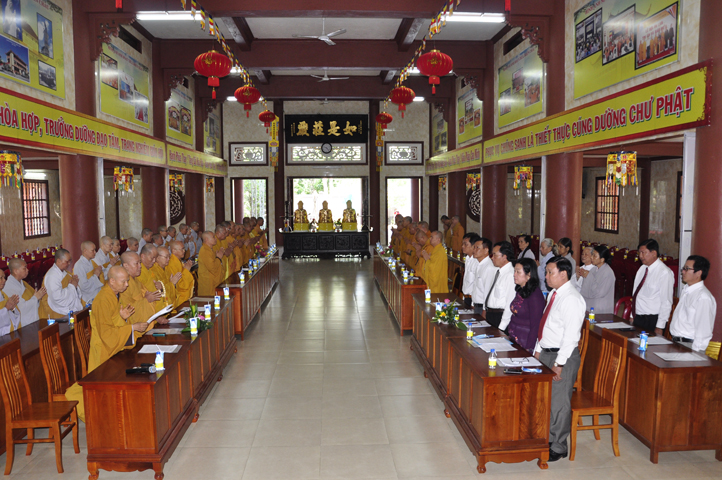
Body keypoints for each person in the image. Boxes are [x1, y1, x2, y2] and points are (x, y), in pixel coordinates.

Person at [65, 266, 150, 422]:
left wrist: (122, 318)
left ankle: (116, 416)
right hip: (103, 350)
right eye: (124, 281)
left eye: (127, 281)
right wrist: (131, 327)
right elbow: (106, 334)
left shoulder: (113, 295)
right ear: (112, 281)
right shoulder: (103, 299)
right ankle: (100, 420)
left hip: (112, 346)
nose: (127, 284)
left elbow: (113, 323)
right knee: (100, 390)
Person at [535, 256, 586, 462]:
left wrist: (559, 364)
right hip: (547, 352)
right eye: (546, 272)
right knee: (546, 399)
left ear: (563, 274)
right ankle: (546, 438)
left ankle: (558, 446)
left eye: (550, 272)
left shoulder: (572, 299)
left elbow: (571, 336)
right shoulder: (554, 294)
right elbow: (546, 324)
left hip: (562, 356)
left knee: (558, 403)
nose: (546, 276)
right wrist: (538, 349)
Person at [669, 255, 716, 353]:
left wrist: (695, 354)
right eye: (683, 268)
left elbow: (703, 331)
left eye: (687, 269)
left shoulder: (703, 297)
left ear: (698, 273)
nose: (683, 271)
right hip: (677, 343)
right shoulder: (686, 290)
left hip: (690, 346)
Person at [631, 239, 674, 334]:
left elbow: (666, 301)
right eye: (639, 253)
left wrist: (660, 326)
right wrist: (632, 315)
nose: (640, 256)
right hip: (638, 317)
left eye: (643, 252)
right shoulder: (642, 269)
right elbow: (636, 293)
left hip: (652, 319)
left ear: (654, 253)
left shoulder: (664, 272)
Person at [508, 258, 546, 352]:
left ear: (529, 275)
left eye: (518, 272)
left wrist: (529, 348)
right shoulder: (520, 290)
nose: (514, 274)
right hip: (514, 336)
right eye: (514, 271)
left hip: (525, 340)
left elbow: (536, 324)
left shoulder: (535, 294)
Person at [119, 252, 165, 325]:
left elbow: (145, 300)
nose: (140, 266)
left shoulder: (136, 281)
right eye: (136, 263)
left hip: (145, 322)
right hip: (134, 326)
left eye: (140, 263)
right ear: (126, 266)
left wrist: (156, 317)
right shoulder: (124, 285)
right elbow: (127, 310)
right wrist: (147, 299)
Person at [39, 249, 83, 318]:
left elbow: (74, 290)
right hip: (56, 312)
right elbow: (57, 297)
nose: (69, 263)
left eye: (70, 261)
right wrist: (72, 286)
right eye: (67, 261)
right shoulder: (52, 276)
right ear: (59, 261)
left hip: (65, 310)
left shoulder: (66, 273)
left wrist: (75, 285)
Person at [3, 258, 45, 326]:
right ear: (16, 271)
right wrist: (36, 298)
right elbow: (21, 309)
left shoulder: (22, 283)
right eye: (24, 268)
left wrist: (36, 298)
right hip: (22, 324)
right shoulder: (10, 288)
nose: (27, 270)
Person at [485, 241, 516, 331]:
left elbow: (510, 303)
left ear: (504, 257)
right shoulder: (499, 271)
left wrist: (501, 327)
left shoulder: (510, 275)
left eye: (495, 255)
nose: (492, 258)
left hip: (499, 317)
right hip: (491, 315)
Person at [579, 246, 616, 314]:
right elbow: (585, 289)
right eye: (592, 255)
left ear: (602, 259)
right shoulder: (593, 270)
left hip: (601, 308)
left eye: (594, 256)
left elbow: (599, 293)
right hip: (589, 305)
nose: (591, 257)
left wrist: (588, 276)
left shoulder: (608, 273)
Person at [138, 244, 167, 312]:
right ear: (142, 256)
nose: (154, 261)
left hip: (159, 309)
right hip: (150, 312)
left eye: (155, 258)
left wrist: (161, 286)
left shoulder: (151, 269)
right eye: (152, 258)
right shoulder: (139, 273)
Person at [471, 237, 495, 316]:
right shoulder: (478, 264)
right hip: (476, 305)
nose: (474, 250)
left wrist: (485, 310)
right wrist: (472, 303)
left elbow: (487, 291)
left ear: (486, 250)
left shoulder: (489, 267)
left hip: (482, 307)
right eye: (474, 247)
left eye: (477, 248)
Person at [168, 240, 195, 306]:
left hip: (184, 297)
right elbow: (181, 286)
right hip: (180, 299)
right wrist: (186, 270)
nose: (184, 251)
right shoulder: (172, 264)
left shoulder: (178, 261)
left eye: (184, 249)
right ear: (174, 250)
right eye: (182, 249)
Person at [198, 231, 225, 296]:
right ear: (206, 239)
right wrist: (218, 258)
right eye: (213, 237)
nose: (215, 239)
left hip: (213, 281)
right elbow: (212, 267)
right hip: (208, 283)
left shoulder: (210, 250)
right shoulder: (205, 250)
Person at [461, 234, 481, 307]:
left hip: (473, 299)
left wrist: (473, 303)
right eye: (462, 244)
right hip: (466, 297)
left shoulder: (476, 262)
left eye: (466, 244)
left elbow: (476, 284)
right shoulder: (467, 259)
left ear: (474, 246)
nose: (462, 246)